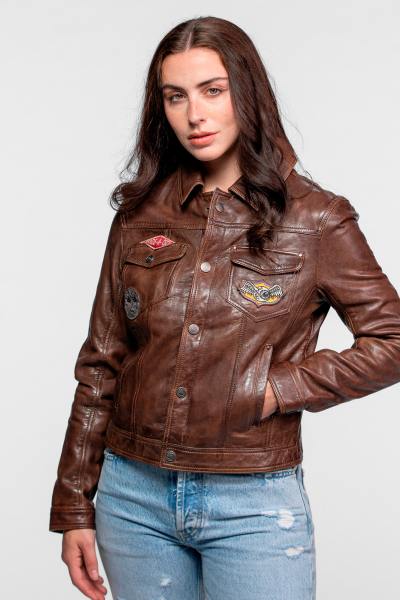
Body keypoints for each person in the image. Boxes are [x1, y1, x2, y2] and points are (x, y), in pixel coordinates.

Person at [49, 15, 400, 600]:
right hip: (132, 497)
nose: (195, 115)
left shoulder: (316, 218)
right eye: (176, 96)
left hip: (253, 502)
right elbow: (101, 362)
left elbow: (393, 339)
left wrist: (276, 388)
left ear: (248, 92)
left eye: (213, 90)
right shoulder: (140, 214)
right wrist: (74, 507)